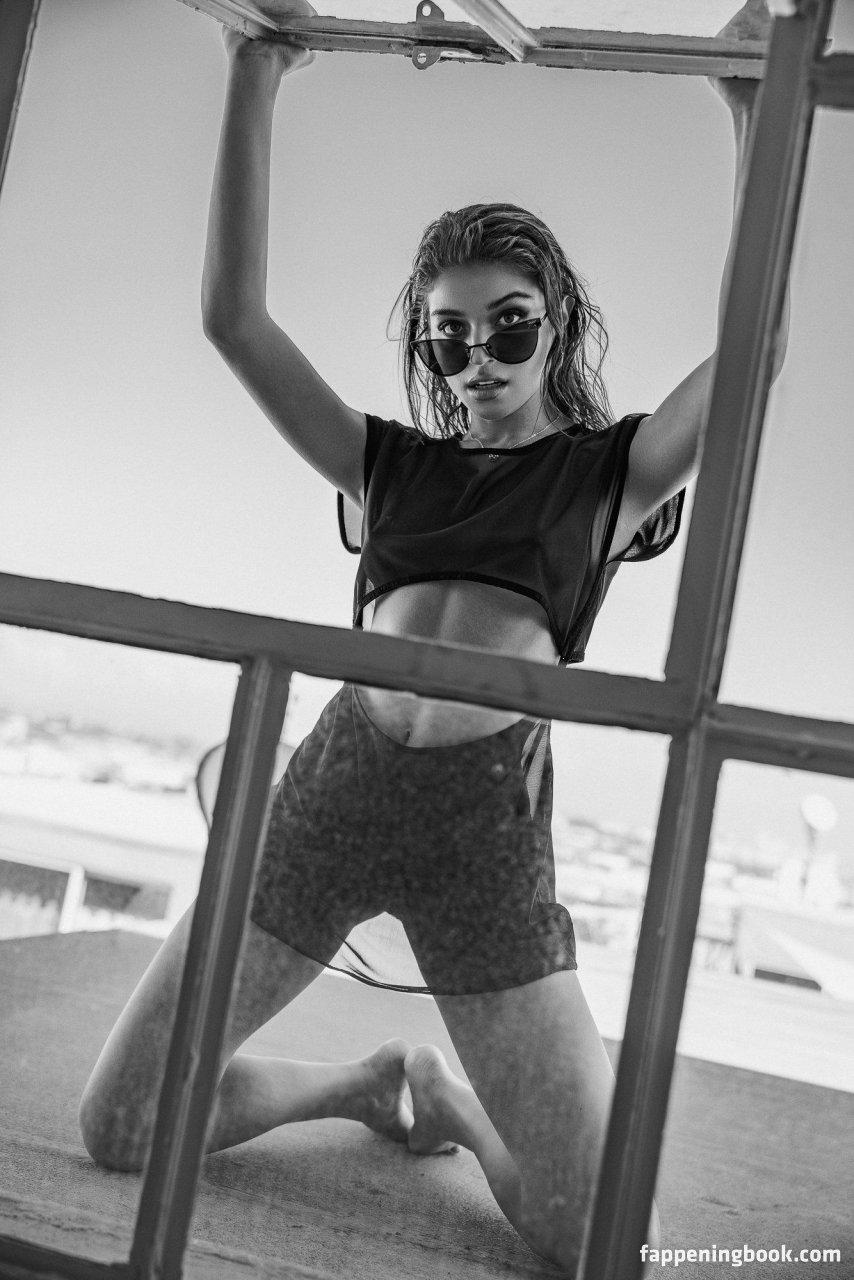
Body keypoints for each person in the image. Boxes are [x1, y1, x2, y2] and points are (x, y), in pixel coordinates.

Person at [78, 1, 784, 1273]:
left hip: (481, 832)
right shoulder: (386, 464)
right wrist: (255, 69)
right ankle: (361, 1082)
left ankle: (449, 1104)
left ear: (555, 323)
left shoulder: (606, 475)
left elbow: (753, 357)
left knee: (607, 1238)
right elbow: (235, 321)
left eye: (507, 326)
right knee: (119, 1122)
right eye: (447, 336)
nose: (476, 358)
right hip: (333, 789)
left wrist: (749, 108)